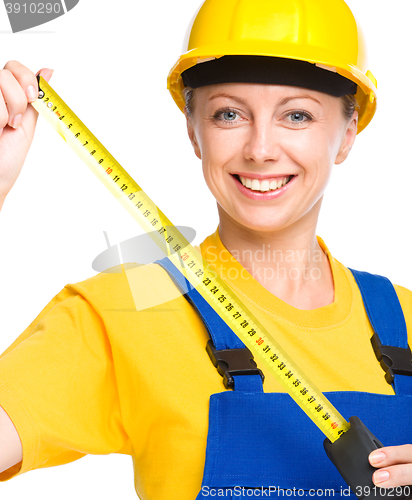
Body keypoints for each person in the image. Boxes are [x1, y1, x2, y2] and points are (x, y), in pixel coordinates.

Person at [0, 0, 411, 499]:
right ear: (193, 130)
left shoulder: (405, 319)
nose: (260, 148)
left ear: (348, 133)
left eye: (297, 115)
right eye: (229, 114)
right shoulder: (125, 309)